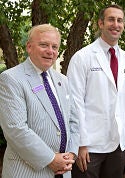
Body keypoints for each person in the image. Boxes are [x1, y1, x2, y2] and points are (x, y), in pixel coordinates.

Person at [67, 4, 125, 178]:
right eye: (111, 19)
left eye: (120, 20)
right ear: (100, 23)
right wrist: (80, 144)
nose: (116, 24)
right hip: (90, 145)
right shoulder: (82, 57)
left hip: (117, 145)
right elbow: (75, 103)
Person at [0, 24, 79, 178]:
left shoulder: (63, 80)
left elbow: (74, 121)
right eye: (44, 45)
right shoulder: (11, 79)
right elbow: (16, 129)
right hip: (28, 171)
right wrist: (51, 159)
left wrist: (72, 153)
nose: (50, 51)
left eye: (55, 47)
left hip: (64, 171)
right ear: (29, 47)